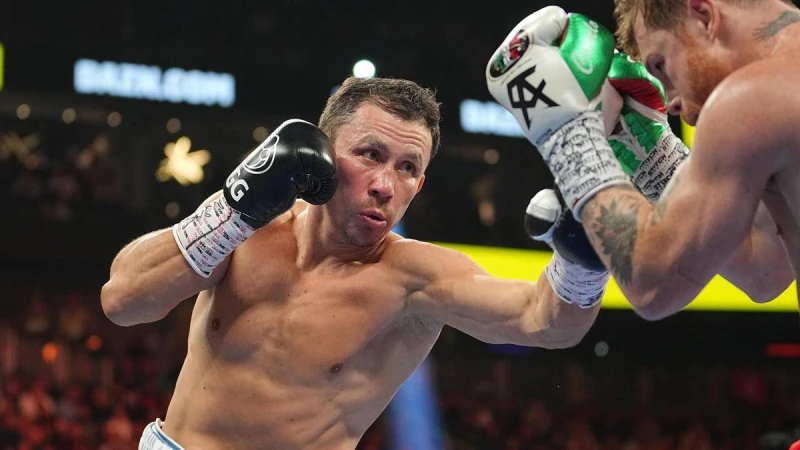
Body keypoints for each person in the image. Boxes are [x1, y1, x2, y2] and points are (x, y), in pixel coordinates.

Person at [102, 76, 611, 450]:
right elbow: (122, 300)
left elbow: (546, 322)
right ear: (324, 152)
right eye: (370, 154)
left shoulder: (416, 280)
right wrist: (234, 212)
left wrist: (584, 262)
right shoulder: (250, 225)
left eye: (407, 168)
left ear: (420, 185)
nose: (386, 185)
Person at [486, 3, 795, 321]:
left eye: (661, 65)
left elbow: (653, 287)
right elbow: (762, 270)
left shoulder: (751, 97)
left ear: (704, 16)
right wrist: (655, 159)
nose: (676, 105)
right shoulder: (782, 92)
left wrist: (567, 131)